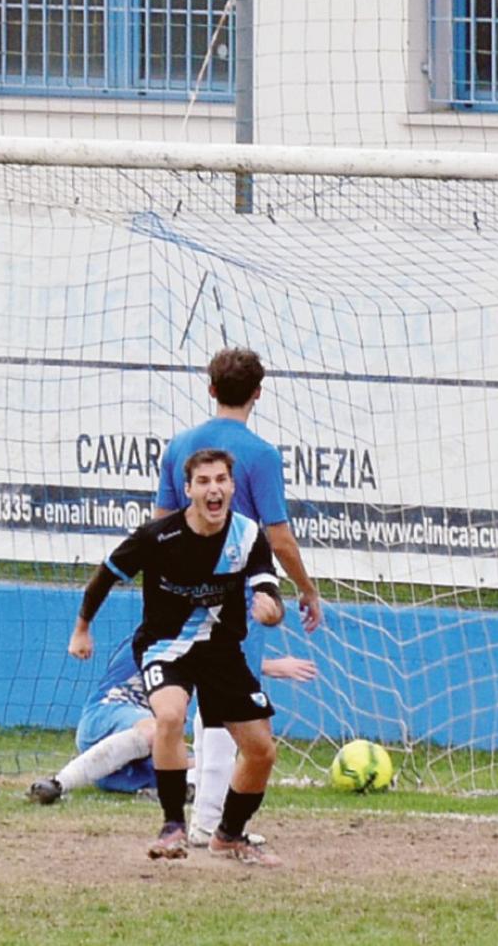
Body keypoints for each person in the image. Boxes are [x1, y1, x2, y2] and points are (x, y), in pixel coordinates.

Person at [69, 448, 286, 866]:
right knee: (169, 715)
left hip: (222, 652)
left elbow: (269, 591)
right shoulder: (157, 536)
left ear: (232, 486)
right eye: (203, 482)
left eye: (221, 480)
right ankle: (172, 827)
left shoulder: (247, 535)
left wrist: (270, 608)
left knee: (261, 751)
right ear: (188, 490)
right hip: (165, 645)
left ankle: (229, 836)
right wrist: (82, 629)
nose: (213, 489)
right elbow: (104, 576)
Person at [155, 346, 323, 847]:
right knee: (232, 709)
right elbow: (278, 537)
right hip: (238, 592)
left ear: (211, 390)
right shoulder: (262, 455)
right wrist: (306, 588)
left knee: (201, 702)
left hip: (183, 590)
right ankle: (211, 823)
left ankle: (203, 819)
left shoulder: (181, 445)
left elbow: (161, 524)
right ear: (257, 393)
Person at [29, 631, 316, 803]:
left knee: (207, 766)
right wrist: (269, 665)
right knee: (156, 729)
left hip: (120, 768)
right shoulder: (154, 636)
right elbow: (201, 657)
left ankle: (176, 791)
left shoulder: (193, 640)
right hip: (104, 720)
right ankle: (57, 784)